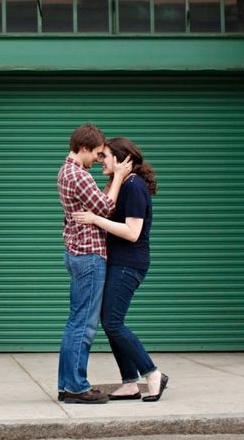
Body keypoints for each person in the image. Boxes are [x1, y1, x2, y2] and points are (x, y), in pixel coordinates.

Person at [73, 137, 168, 402]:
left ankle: (152, 374)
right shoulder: (123, 184)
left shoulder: (135, 186)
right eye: (100, 156)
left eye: (105, 156)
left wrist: (95, 219)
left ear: (122, 159)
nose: (101, 160)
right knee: (110, 321)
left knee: (113, 322)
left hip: (129, 263)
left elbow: (132, 232)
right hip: (119, 262)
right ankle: (129, 381)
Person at [57, 123, 132, 404]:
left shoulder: (65, 171)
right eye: (98, 154)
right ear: (85, 148)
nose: (100, 159)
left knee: (75, 321)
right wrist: (119, 178)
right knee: (85, 325)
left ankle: (67, 384)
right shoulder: (80, 176)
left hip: (76, 253)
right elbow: (107, 208)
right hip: (89, 256)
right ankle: (77, 387)